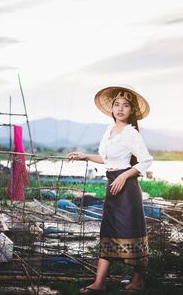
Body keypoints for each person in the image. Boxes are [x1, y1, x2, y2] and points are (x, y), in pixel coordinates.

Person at [67, 86, 153, 294]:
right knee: (109, 231)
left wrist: (124, 176)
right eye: (117, 105)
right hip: (112, 185)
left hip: (127, 188)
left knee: (132, 230)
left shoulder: (131, 133)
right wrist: (85, 156)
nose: (120, 109)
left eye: (125, 105)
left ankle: (137, 281)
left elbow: (146, 161)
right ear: (112, 109)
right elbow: (107, 160)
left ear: (131, 111)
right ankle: (99, 283)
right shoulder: (109, 131)